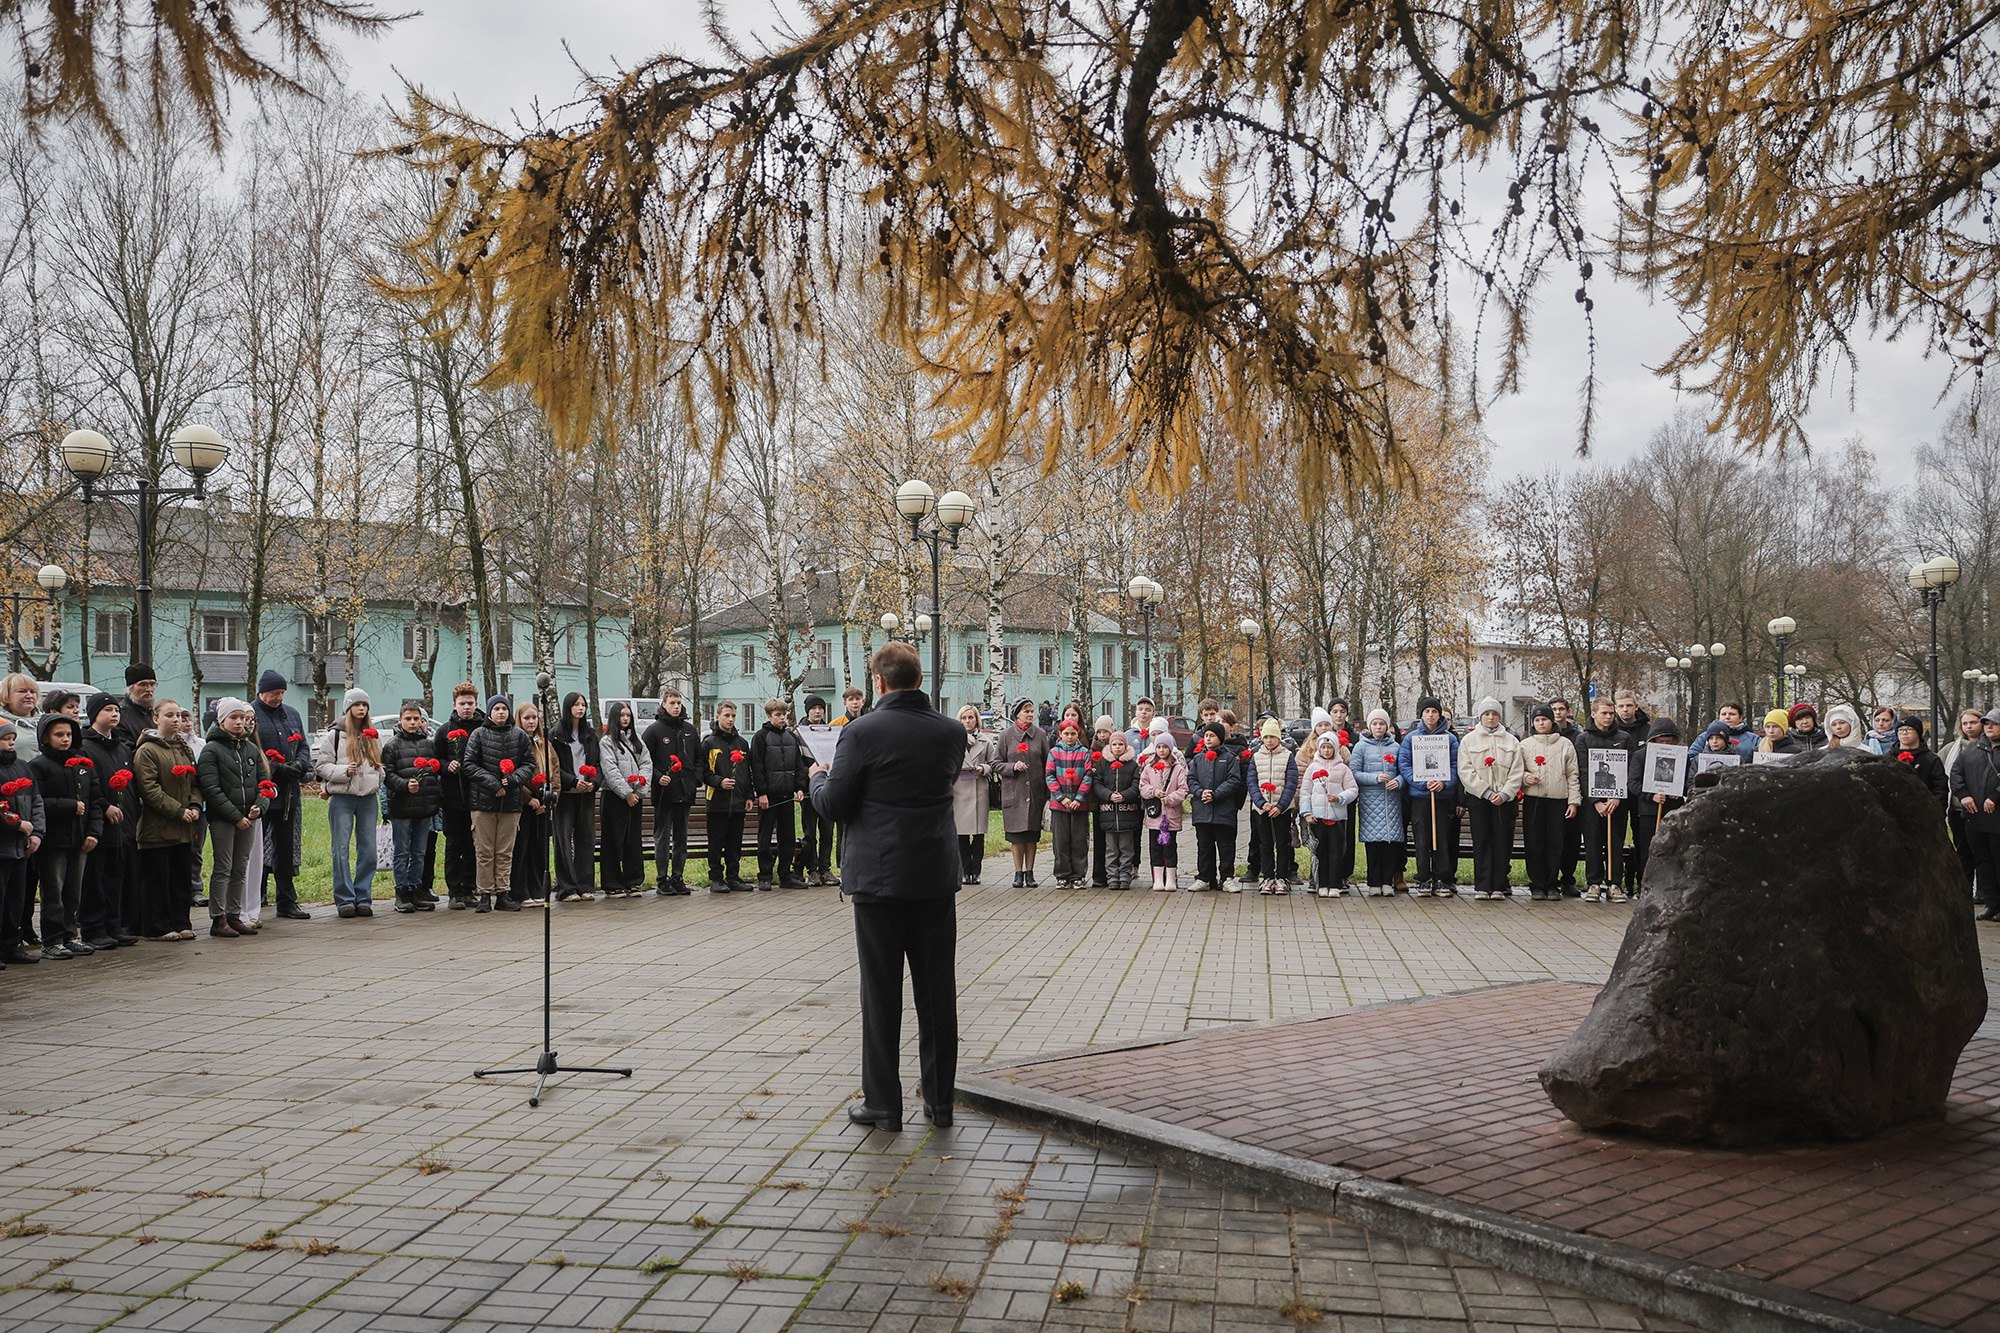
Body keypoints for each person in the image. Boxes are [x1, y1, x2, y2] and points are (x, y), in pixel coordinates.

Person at [807, 641, 964, 1133]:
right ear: (918, 679)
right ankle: (939, 1102)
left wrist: (817, 777)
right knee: (937, 991)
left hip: (878, 878)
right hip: (934, 873)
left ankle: (883, 1104)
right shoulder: (952, 731)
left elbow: (834, 803)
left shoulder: (861, 732)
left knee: (880, 992)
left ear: (878, 682)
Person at [197, 698, 269, 939]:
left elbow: (264, 782)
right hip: (224, 819)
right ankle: (219, 918)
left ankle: (235, 914)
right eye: (234, 718)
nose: (240, 722)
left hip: (249, 818)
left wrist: (260, 805)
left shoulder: (249, 749)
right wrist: (235, 816)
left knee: (241, 867)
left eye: (242, 718)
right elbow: (211, 788)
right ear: (222, 721)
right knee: (224, 867)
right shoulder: (211, 750)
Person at [131, 701, 201, 942]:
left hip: (182, 828)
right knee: (157, 880)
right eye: (169, 715)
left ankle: (181, 921)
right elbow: (149, 789)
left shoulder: (184, 749)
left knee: (180, 879)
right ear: (155, 719)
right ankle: (157, 925)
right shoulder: (147, 750)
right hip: (157, 829)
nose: (175, 720)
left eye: (179, 715)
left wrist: (193, 806)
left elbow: (194, 783)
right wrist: (178, 810)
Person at [77, 694, 140, 950]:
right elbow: (87, 785)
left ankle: (114, 924)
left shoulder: (121, 747)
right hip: (99, 822)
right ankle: (93, 927)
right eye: (107, 710)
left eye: (116, 709)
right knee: (95, 877)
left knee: (116, 877)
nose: (114, 714)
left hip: (123, 824)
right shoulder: (84, 746)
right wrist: (104, 806)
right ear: (94, 714)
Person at [315, 688, 385, 919]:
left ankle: (363, 896)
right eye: (356, 705)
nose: (361, 709)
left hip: (367, 798)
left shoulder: (372, 735)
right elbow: (321, 766)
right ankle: (344, 899)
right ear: (348, 708)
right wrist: (344, 771)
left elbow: (381, 765)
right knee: (340, 849)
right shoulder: (334, 736)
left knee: (369, 851)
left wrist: (378, 776)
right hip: (342, 798)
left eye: (364, 705)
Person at [250, 670, 313, 920]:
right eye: (274, 693)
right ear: (262, 692)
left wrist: (300, 764)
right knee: (256, 849)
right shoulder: (251, 715)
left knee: (285, 849)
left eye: (281, 693)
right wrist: (276, 768)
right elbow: (253, 750)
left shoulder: (292, 714)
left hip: (288, 794)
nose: (278, 697)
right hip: (263, 791)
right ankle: (255, 897)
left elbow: (304, 746)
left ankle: (287, 900)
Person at [464, 695, 535, 913]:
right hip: (483, 802)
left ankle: (503, 892)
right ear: (489, 712)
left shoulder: (519, 736)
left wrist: (512, 779)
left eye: (504, 708)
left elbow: (529, 764)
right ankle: (484, 893)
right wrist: (493, 783)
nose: (501, 713)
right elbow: (469, 765)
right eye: (496, 709)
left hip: (511, 803)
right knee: (484, 850)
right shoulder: (478, 734)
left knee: (505, 850)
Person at [1458, 698, 1523, 901]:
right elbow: (1465, 770)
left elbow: (1517, 770)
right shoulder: (1469, 740)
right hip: (1480, 799)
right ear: (1480, 717)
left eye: (1494, 714)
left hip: (1503, 799)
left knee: (1501, 841)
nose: (1491, 717)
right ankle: (1483, 885)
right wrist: (1485, 791)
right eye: (1487, 714)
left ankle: (1499, 884)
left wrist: (1505, 793)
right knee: (1482, 841)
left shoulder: (1511, 741)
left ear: (1500, 717)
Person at [382, 700, 444, 914]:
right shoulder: (392, 745)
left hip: (424, 806)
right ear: (400, 720)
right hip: (402, 806)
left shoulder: (429, 744)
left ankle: (416, 888)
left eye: (416, 719)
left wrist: (432, 794)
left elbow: (435, 771)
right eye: (408, 719)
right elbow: (387, 775)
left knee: (419, 850)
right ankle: (402, 891)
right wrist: (404, 785)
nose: (412, 722)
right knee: (402, 852)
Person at [1399, 696, 1460, 897]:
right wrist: (1420, 782)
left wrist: (1444, 782)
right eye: (1427, 711)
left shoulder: (1450, 739)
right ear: (1422, 714)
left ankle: (1442, 878)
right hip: (1420, 797)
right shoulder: (1411, 738)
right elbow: (1405, 764)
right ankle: (1423, 878)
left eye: (1434, 711)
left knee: (1441, 837)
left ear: (1439, 714)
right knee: (1423, 838)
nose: (1431, 715)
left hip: (1442, 797)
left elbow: (1455, 765)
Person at [1518, 705, 1580, 900]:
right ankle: (1537, 883)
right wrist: (1526, 778)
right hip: (1534, 798)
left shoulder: (1565, 745)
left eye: (1544, 719)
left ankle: (1552, 883)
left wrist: (1574, 801)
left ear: (1552, 721)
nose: (1541, 723)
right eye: (1537, 720)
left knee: (1556, 842)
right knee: (1534, 842)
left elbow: (1572, 774)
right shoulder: (1525, 745)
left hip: (1558, 799)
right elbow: (1517, 770)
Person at [644, 689, 701, 895]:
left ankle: (678, 876)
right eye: (672, 703)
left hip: (685, 791)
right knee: (662, 837)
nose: (676, 706)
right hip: (663, 794)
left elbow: (698, 759)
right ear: (664, 704)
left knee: (681, 837)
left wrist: (695, 778)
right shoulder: (654, 731)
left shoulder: (689, 730)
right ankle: (662, 879)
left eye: (679, 703)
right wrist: (658, 777)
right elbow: (645, 762)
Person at [1577, 698, 1633, 903]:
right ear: (1593, 714)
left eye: (1611, 713)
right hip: (1593, 804)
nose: (1608, 717)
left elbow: (1628, 770)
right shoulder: (1584, 739)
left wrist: (1618, 796)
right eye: (1604, 713)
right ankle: (1593, 882)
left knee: (1615, 841)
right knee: (1592, 841)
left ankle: (1614, 883)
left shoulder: (1624, 738)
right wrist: (1595, 801)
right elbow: (1583, 772)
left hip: (1616, 801)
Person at [433, 684, 485, 909]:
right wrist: (447, 766)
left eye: (470, 703)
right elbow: (435, 760)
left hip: (478, 796)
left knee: (474, 844)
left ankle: (469, 887)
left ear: (476, 704)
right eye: (462, 704)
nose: (466, 708)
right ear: (454, 704)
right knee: (455, 844)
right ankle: (455, 891)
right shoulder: (444, 731)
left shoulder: (483, 728)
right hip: (453, 797)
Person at [750, 699, 807, 890]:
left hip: (787, 795)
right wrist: (762, 793)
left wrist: (800, 787)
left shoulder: (791, 737)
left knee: (788, 837)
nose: (782, 718)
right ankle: (765, 875)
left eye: (784, 715)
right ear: (769, 716)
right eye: (778, 715)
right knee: (765, 837)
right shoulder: (760, 737)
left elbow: (798, 765)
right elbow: (756, 767)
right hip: (769, 797)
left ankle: (785, 875)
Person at [598, 701, 654, 896]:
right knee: (613, 840)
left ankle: (633, 880)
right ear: (615, 718)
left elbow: (646, 763)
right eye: (622, 715)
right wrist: (626, 793)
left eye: (628, 715)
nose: (625, 719)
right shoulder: (606, 742)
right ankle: (612, 883)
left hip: (635, 797)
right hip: (615, 797)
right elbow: (610, 769)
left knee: (633, 840)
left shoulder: (637, 742)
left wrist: (639, 788)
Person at [0, 720, 44, 965]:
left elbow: (36, 801)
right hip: (4, 846)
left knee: (16, 901)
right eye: (6, 739)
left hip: (21, 848)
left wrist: (36, 832)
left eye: (13, 738)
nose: (12, 742)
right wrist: (17, 824)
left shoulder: (23, 768)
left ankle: (11, 945)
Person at [552, 692, 601, 902]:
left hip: (586, 795)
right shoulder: (555, 735)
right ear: (567, 707)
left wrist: (594, 782)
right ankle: (567, 888)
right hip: (565, 795)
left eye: (583, 705)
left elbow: (598, 764)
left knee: (586, 840)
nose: (580, 708)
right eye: (576, 705)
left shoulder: (590, 734)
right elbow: (553, 767)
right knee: (563, 840)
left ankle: (585, 885)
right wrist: (572, 781)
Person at [1951, 710, 2000, 922]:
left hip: (1997, 816)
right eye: (1987, 723)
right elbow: (1956, 772)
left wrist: (1996, 796)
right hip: (1975, 816)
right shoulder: (1973, 749)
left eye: (1994, 724)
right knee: (1983, 862)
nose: (1989, 727)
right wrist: (1963, 795)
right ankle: (1992, 904)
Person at [1628, 717, 1686, 893]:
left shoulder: (1681, 756)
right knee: (1648, 848)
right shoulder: (1640, 756)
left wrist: (1679, 791)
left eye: (1669, 741)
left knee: (1671, 848)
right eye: (1661, 741)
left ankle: (1668, 885)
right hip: (1649, 812)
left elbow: (1686, 780)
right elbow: (1633, 783)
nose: (1666, 744)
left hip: (1672, 810)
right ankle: (1646, 885)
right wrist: (1650, 796)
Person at [703, 701, 755, 893]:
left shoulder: (742, 743)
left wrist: (749, 795)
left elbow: (747, 772)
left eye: (733, 715)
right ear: (718, 717)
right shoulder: (709, 743)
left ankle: (733, 877)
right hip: (717, 802)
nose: (731, 719)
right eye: (727, 715)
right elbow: (704, 773)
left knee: (735, 842)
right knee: (716, 842)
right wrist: (719, 782)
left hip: (739, 802)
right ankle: (716, 877)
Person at [511, 700, 559, 908]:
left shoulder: (544, 743)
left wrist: (551, 796)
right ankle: (520, 891)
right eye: (526, 718)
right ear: (519, 720)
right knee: (522, 848)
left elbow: (554, 771)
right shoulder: (515, 742)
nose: (531, 722)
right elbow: (514, 773)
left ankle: (538, 888)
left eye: (534, 717)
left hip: (543, 803)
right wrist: (528, 798)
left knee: (539, 848)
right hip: (524, 804)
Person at [1298, 733, 1357, 897]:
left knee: (1336, 851)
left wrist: (1340, 798)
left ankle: (1335, 884)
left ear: (1335, 748)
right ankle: (1321, 883)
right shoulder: (1312, 767)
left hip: (1337, 817)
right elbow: (1305, 792)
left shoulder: (1343, 768)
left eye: (1329, 747)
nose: (1326, 750)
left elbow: (1353, 789)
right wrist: (1307, 813)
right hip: (1317, 818)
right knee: (1320, 851)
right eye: (1323, 747)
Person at [998, 697, 1048, 887]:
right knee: (1017, 836)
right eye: (1026, 710)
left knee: (1031, 836)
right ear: (1017, 713)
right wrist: (1012, 767)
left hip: (1035, 792)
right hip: (1014, 792)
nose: (1030, 714)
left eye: (1031, 711)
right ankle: (1018, 873)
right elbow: (996, 763)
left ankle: (1030, 872)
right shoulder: (1006, 736)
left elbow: (1047, 763)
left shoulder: (1040, 735)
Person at [1187, 721, 1242, 892]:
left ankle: (1227, 878)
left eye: (1212, 735)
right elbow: (1191, 779)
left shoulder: (1230, 758)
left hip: (1223, 811)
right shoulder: (1198, 758)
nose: (1208, 739)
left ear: (1219, 738)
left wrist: (1215, 794)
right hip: (1202, 810)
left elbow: (1234, 780)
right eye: (1206, 736)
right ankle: (1205, 877)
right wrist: (1200, 792)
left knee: (1226, 846)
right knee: (1204, 846)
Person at [1246, 718, 1298, 896]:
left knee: (1283, 843)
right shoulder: (1256, 756)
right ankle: (1267, 876)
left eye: (1272, 737)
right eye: (1266, 737)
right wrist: (1261, 802)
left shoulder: (1288, 756)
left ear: (1278, 737)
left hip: (1281, 808)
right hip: (1262, 808)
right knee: (1265, 843)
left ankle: (1282, 877)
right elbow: (1252, 782)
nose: (1269, 740)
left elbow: (1291, 783)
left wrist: (1281, 805)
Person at [1941, 707, 1986, 905]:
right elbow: (1942, 771)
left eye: (1973, 722)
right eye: (1965, 723)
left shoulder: (1990, 746)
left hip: (1985, 809)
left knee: (1984, 854)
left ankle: (1985, 892)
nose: (1969, 727)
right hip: (1958, 807)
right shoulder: (1951, 748)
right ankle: (1965, 890)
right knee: (1963, 851)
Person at [1044, 717, 1094, 889]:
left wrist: (1078, 798)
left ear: (1078, 734)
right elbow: (1050, 776)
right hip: (1060, 805)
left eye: (1073, 734)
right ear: (1060, 734)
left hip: (1079, 805)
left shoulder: (1084, 752)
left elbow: (1088, 776)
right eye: (1066, 734)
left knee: (1079, 840)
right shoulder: (1054, 752)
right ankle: (1062, 874)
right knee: (1061, 841)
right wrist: (1061, 797)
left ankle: (1078, 874)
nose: (1070, 737)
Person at [1139, 722, 1189, 891]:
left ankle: (1171, 879)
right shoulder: (1149, 768)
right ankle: (1158, 879)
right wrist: (1154, 792)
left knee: (1170, 847)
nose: (1161, 750)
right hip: (1155, 816)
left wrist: (1170, 798)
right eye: (1158, 746)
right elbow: (1142, 787)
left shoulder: (1177, 769)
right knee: (1155, 848)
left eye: (1165, 747)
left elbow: (1183, 789)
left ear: (1170, 748)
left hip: (1170, 815)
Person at [793, 695, 834, 886]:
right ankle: (812, 869)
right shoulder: (798, 733)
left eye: (821, 708)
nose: (817, 711)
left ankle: (826, 869)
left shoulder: (830, 732)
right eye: (814, 708)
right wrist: (801, 785)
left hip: (827, 789)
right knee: (810, 833)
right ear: (807, 710)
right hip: (809, 790)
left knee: (827, 831)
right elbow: (797, 763)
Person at [1093, 732, 1142, 889]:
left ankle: (1125, 876)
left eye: (1121, 744)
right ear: (1110, 746)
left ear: (1126, 746)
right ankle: (1112, 877)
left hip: (1127, 815)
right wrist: (1108, 795)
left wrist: (1124, 796)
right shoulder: (1102, 764)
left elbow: (1136, 786)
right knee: (1111, 849)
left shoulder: (1132, 766)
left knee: (1126, 849)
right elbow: (1097, 784)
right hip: (1108, 816)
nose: (1118, 747)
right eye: (1114, 744)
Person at [954, 704, 996, 885]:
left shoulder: (986, 741)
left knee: (978, 835)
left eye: (970, 717)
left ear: (976, 719)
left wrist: (983, 768)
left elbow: (994, 763)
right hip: (959, 790)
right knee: (961, 834)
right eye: (964, 718)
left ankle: (976, 871)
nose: (967, 721)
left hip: (979, 789)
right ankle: (964, 870)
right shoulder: (953, 740)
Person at [1891, 716, 1949, 809]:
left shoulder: (1931, 759)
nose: (1904, 733)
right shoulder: (1888, 758)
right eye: (1900, 730)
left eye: (1909, 729)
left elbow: (1940, 789)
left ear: (1918, 732)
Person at [1089, 713, 1117, 887]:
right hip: (1097, 799)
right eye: (1099, 732)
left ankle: (1113, 873)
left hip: (1112, 799)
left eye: (1105, 732)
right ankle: (1099, 875)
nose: (1102, 736)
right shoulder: (1092, 750)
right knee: (1099, 838)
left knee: (1113, 840)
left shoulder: (1115, 748)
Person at [110, 663, 157, 753]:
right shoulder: (121, 716)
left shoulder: (154, 712)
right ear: (130, 688)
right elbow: (125, 750)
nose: (149, 689)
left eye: (152, 684)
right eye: (143, 684)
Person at [0, 672, 40, 761]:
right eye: (22, 691)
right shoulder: (2, 723)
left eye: (33, 692)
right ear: (6, 695)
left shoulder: (46, 722)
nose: (29, 696)